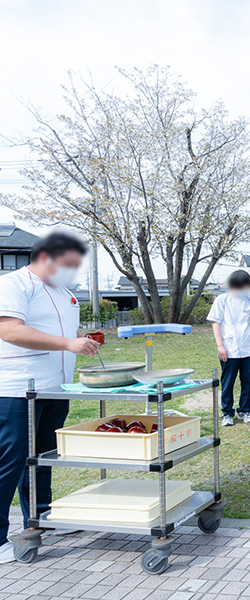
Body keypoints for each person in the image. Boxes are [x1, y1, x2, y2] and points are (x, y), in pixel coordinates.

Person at [0, 231, 100, 562]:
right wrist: (68, 344)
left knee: (43, 458)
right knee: (10, 463)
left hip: (56, 387)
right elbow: (9, 329)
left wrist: (81, 339)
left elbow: (60, 333)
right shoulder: (15, 284)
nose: (71, 271)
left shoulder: (63, 292)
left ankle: (41, 517)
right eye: (67, 264)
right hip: (16, 390)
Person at [207, 270, 250, 427]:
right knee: (228, 382)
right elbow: (215, 322)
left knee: (247, 381)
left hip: (248, 347)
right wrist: (220, 346)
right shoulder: (222, 300)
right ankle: (227, 413)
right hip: (229, 348)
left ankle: (245, 410)